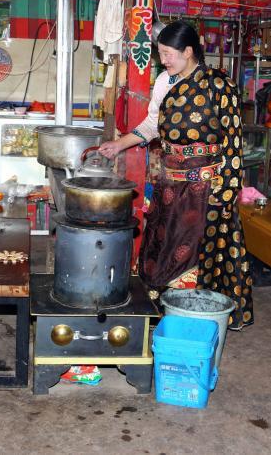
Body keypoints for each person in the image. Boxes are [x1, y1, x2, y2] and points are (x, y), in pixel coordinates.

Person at [99, 21, 253, 329]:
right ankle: (163, 309)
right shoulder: (164, 83)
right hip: (170, 182)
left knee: (190, 252)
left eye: (169, 54)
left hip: (205, 187)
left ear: (189, 51)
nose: (164, 60)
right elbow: (151, 126)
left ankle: (189, 315)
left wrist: (225, 193)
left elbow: (232, 142)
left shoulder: (220, 86)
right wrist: (118, 144)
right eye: (160, 54)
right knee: (162, 245)